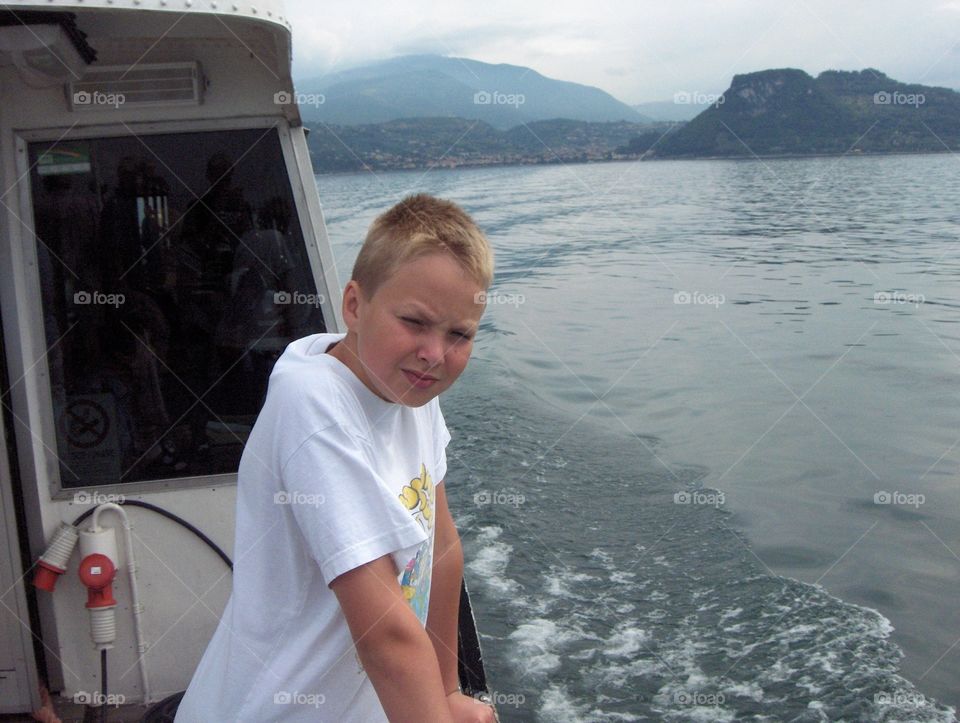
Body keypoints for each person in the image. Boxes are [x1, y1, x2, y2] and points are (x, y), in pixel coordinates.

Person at [175, 194, 497, 723]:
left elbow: (442, 550)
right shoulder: (315, 403)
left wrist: (445, 692)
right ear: (354, 305)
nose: (435, 354)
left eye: (459, 334)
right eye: (415, 322)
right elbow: (386, 637)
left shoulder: (409, 391)